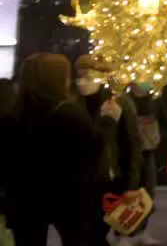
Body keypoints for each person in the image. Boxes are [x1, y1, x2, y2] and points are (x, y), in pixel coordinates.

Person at [0, 53, 100, 246]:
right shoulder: (71, 115)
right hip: (69, 197)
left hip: (24, 198)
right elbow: (90, 155)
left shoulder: (14, 115)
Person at [75, 56, 143, 246]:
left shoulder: (118, 102)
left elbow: (132, 145)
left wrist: (131, 184)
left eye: (87, 74)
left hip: (110, 179)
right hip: (84, 179)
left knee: (97, 233)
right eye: (79, 75)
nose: (82, 80)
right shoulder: (76, 101)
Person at [123, 82, 162, 246]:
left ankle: (142, 230)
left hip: (148, 149)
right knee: (129, 193)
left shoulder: (153, 99)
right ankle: (123, 232)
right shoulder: (124, 100)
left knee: (148, 192)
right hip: (130, 151)